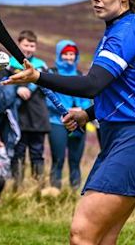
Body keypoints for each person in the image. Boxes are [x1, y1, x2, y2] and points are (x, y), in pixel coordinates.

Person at [3, 0, 135, 245]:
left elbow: (93, 83)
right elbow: (124, 90)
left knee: (82, 233)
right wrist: (88, 114)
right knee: (103, 237)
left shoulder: (125, 31)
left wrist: (38, 77)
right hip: (128, 136)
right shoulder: (119, 28)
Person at [6, 30, 50, 190]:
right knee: (18, 154)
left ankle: (37, 189)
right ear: (19, 44)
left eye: (32, 46)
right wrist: (16, 89)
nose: (29, 49)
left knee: (37, 154)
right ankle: (16, 190)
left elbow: (50, 85)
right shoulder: (9, 64)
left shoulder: (42, 65)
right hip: (17, 119)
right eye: (26, 45)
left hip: (38, 118)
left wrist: (32, 87)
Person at [47, 40, 91, 190]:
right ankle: (55, 192)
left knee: (75, 161)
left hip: (79, 123)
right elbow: (48, 99)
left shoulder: (80, 75)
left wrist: (82, 111)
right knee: (57, 159)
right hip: (57, 122)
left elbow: (86, 98)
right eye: (65, 54)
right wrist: (67, 111)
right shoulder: (52, 74)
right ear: (59, 55)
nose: (69, 57)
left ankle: (75, 192)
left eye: (72, 54)